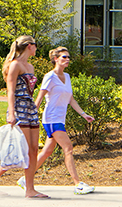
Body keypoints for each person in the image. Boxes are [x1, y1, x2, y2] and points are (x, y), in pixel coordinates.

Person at [18, 46, 95, 195]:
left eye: (68, 57)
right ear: (56, 59)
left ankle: (24, 179)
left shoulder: (67, 77)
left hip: (60, 118)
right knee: (68, 148)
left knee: (47, 151)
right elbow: (39, 97)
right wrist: (30, 114)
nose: (67, 59)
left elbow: (70, 99)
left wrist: (83, 114)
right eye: (64, 57)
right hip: (51, 119)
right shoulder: (50, 76)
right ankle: (78, 184)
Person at [0, 35, 48, 198]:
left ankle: (30, 189)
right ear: (29, 46)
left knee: (34, 149)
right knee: (24, 149)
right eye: (35, 45)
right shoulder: (15, 65)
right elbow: (10, 91)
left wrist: (34, 106)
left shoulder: (30, 66)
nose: (36, 48)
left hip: (30, 108)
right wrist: (11, 112)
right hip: (18, 108)